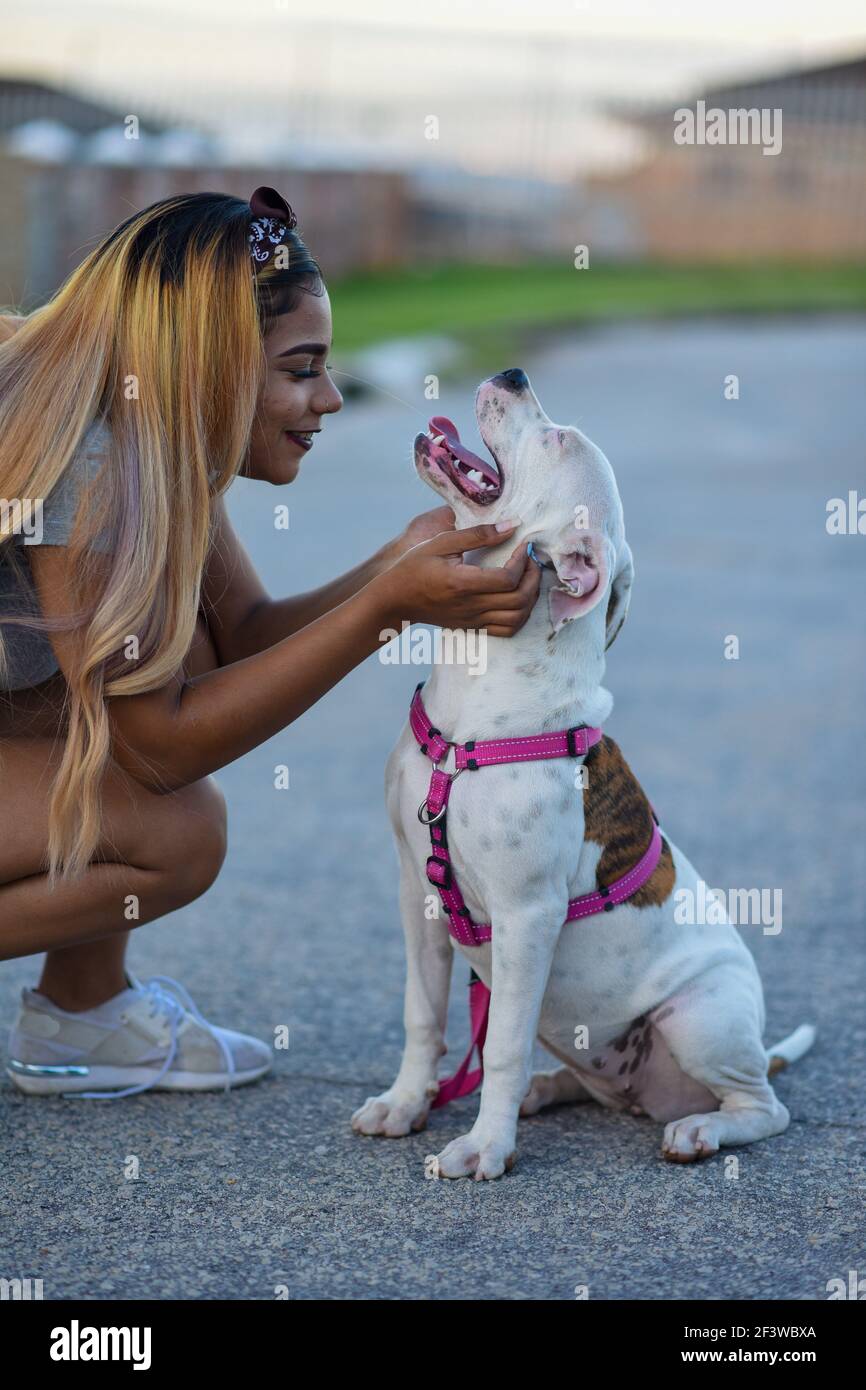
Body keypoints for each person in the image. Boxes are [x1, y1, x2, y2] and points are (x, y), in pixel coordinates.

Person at [0, 185, 540, 1098]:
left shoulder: (141, 422)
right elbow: (160, 749)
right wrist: (387, 610)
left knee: (162, 672)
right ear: (202, 363)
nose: (329, 397)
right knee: (176, 832)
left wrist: (394, 566)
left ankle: (83, 1015)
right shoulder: (92, 459)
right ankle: (86, 1016)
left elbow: (242, 636)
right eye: (301, 368)